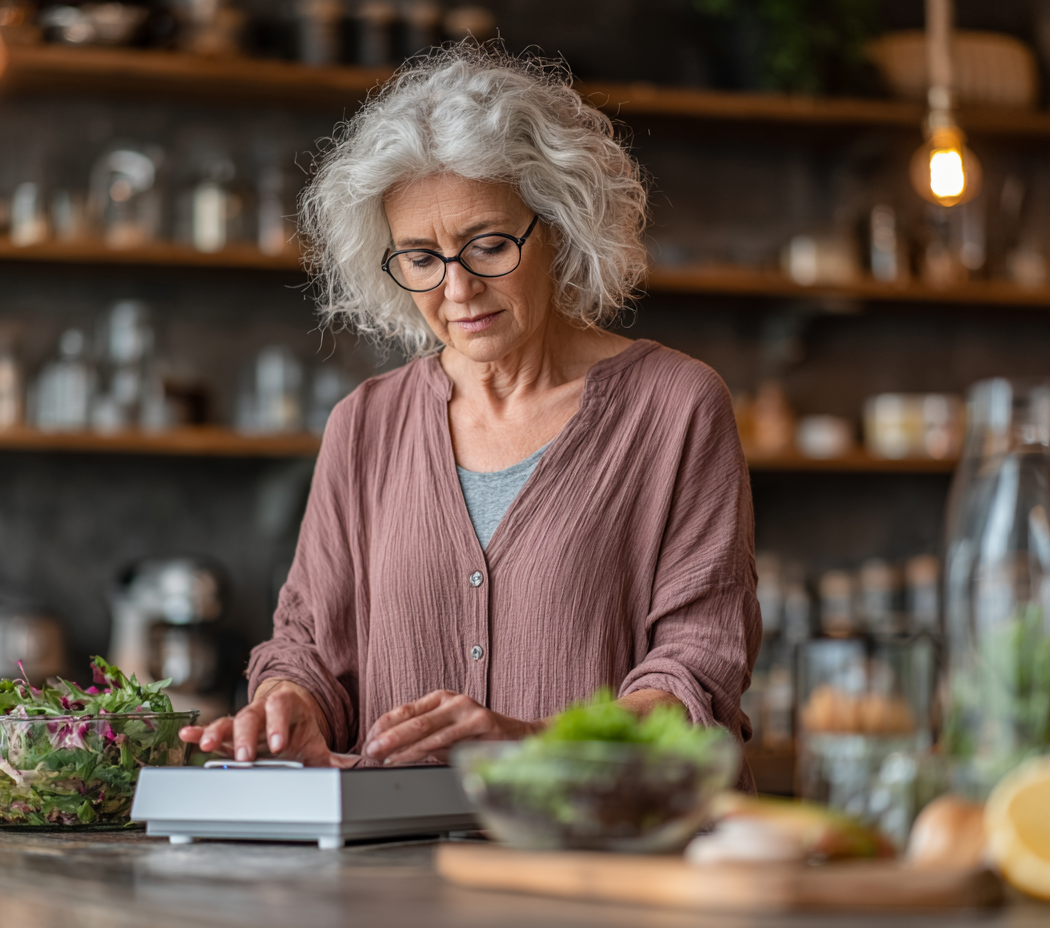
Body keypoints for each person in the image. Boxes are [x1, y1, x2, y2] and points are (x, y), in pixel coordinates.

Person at [180, 44, 763, 789]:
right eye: (420, 258)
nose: (457, 289)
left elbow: (695, 678)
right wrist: (287, 704)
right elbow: (309, 651)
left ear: (556, 227)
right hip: (396, 880)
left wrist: (529, 745)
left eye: (487, 245)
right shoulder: (365, 423)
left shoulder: (676, 406)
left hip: (604, 864)